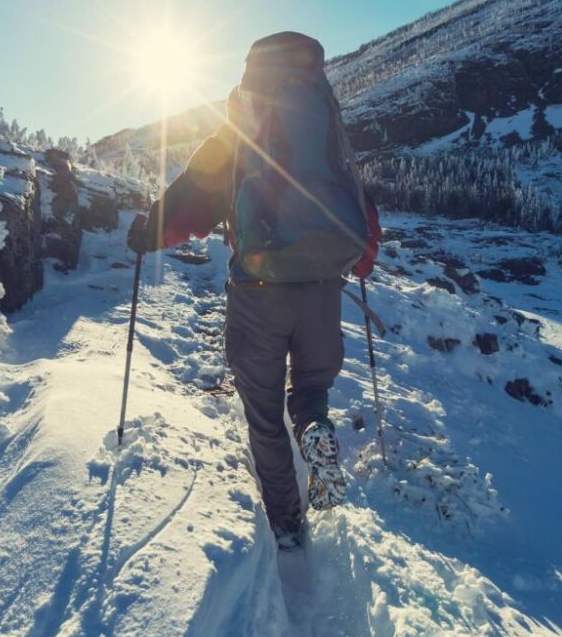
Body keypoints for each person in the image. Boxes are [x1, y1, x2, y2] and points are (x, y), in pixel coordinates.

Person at [127, 31, 379, 550]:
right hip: (323, 288)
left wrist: (147, 232)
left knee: (263, 411)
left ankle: (287, 524)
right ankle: (313, 428)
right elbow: (356, 201)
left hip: (259, 291)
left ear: (250, 75)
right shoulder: (325, 127)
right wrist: (362, 262)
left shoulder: (236, 134)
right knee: (310, 387)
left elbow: (190, 203)